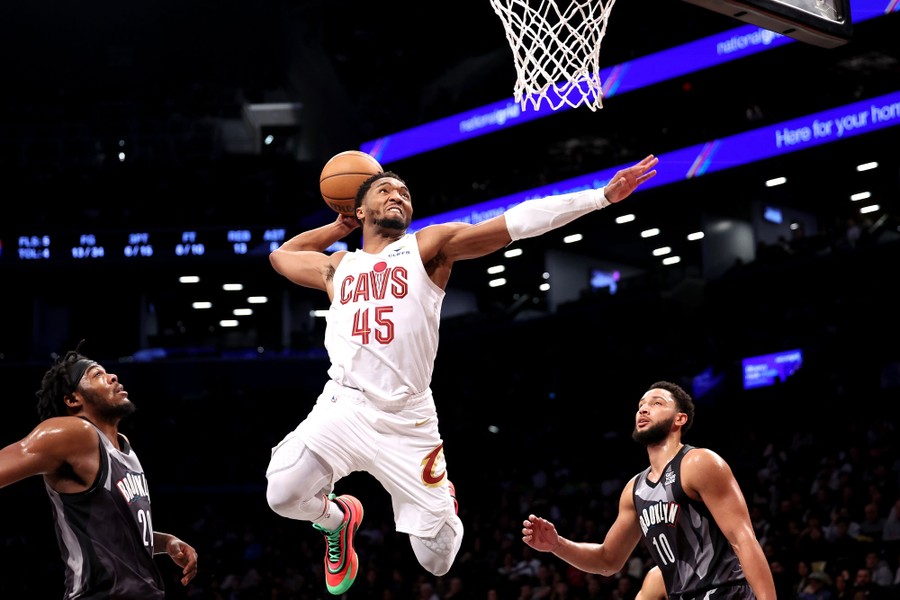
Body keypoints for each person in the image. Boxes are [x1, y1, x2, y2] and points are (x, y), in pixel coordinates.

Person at [265, 154, 660, 595]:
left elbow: (515, 223)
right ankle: (338, 520)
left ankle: (443, 501)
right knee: (282, 493)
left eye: (404, 193)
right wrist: (340, 226)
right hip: (345, 406)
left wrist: (600, 197)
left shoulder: (427, 247)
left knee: (436, 560)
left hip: (407, 420)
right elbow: (282, 256)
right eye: (385, 190)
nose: (398, 195)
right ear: (360, 210)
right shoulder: (338, 266)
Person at [521, 381, 776, 600]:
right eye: (641, 405)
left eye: (657, 403)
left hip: (726, 592)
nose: (643, 409)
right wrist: (557, 545)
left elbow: (743, 540)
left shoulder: (699, 462)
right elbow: (608, 561)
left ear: (680, 419)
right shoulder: (635, 489)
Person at [0, 346, 198, 599]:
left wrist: (165, 542)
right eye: (96, 375)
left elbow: (117, 533)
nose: (112, 376)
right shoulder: (73, 433)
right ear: (73, 400)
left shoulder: (122, 446)